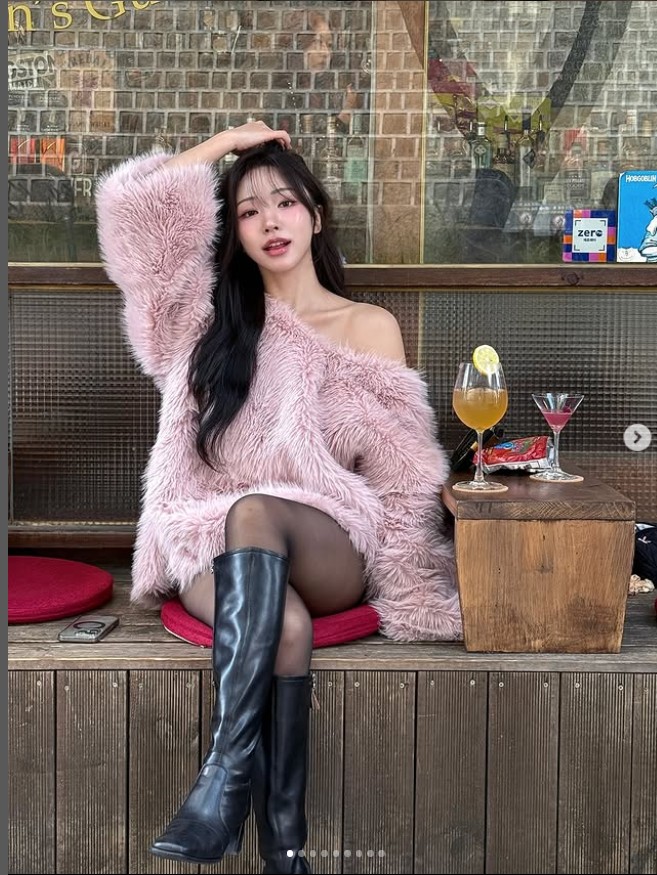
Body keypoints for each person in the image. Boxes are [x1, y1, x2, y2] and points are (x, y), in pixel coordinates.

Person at [95, 120, 462, 874]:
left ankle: (220, 782)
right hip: (211, 540)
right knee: (284, 627)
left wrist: (411, 584)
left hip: (328, 545)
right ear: (230, 230)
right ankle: (284, 850)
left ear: (315, 217)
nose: (270, 221)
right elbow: (136, 217)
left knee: (257, 510)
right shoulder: (202, 325)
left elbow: (402, 475)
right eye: (248, 209)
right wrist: (225, 143)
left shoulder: (368, 328)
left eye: (285, 202)